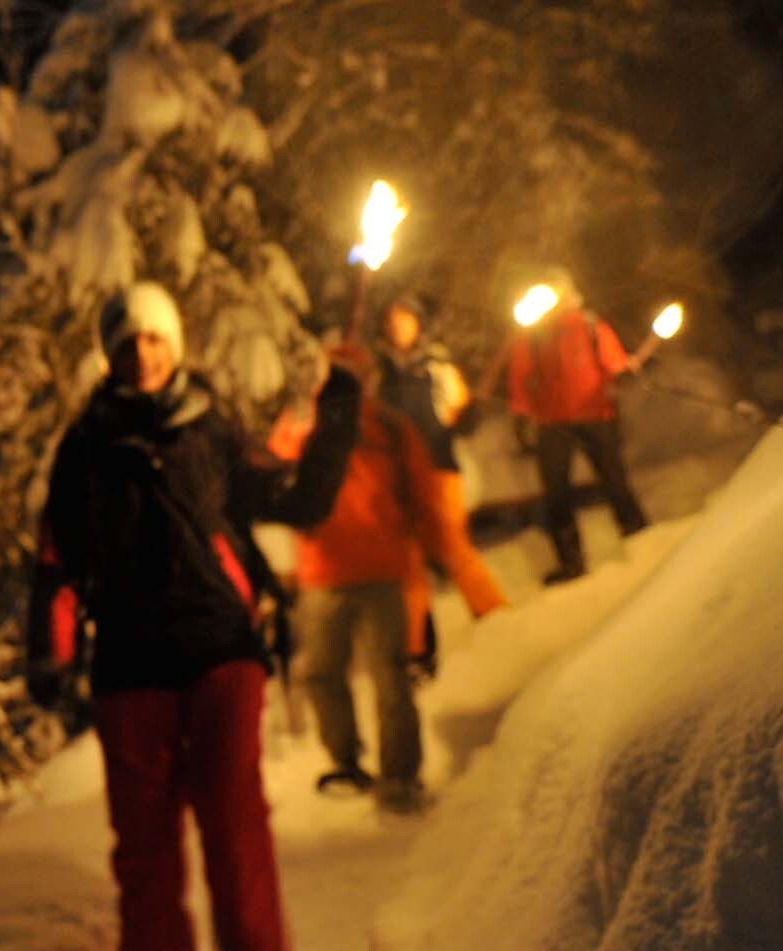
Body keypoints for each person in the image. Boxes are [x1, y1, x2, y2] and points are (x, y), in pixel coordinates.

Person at [27, 283, 362, 951]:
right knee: (145, 862)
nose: (142, 352)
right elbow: (56, 560)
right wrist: (50, 652)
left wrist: (341, 409)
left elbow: (300, 501)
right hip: (132, 668)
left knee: (233, 830)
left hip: (220, 653)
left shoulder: (211, 430)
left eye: (153, 338)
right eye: (126, 341)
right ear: (108, 353)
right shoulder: (86, 447)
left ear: (172, 344)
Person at [275, 343, 445, 815]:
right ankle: (347, 761)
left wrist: (429, 552)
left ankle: (399, 777)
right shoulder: (301, 425)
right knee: (324, 675)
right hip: (322, 572)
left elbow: (422, 492)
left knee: (390, 677)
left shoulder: (389, 427)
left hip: (379, 569)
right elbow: (275, 481)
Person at [377, 295, 509, 664]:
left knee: (453, 548)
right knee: (407, 564)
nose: (397, 326)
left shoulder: (436, 367)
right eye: (391, 320)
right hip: (399, 481)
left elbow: (459, 413)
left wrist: (470, 414)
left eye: (404, 319)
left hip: (436, 472)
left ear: (418, 323)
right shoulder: (382, 373)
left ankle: (494, 615)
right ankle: (416, 649)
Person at [503, 272, 649, 583]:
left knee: (615, 481)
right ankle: (571, 561)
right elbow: (521, 375)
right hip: (553, 422)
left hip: (596, 414)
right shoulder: (531, 334)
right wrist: (521, 413)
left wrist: (622, 372)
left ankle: (639, 538)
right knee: (557, 495)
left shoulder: (589, 325)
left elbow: (613, 363)